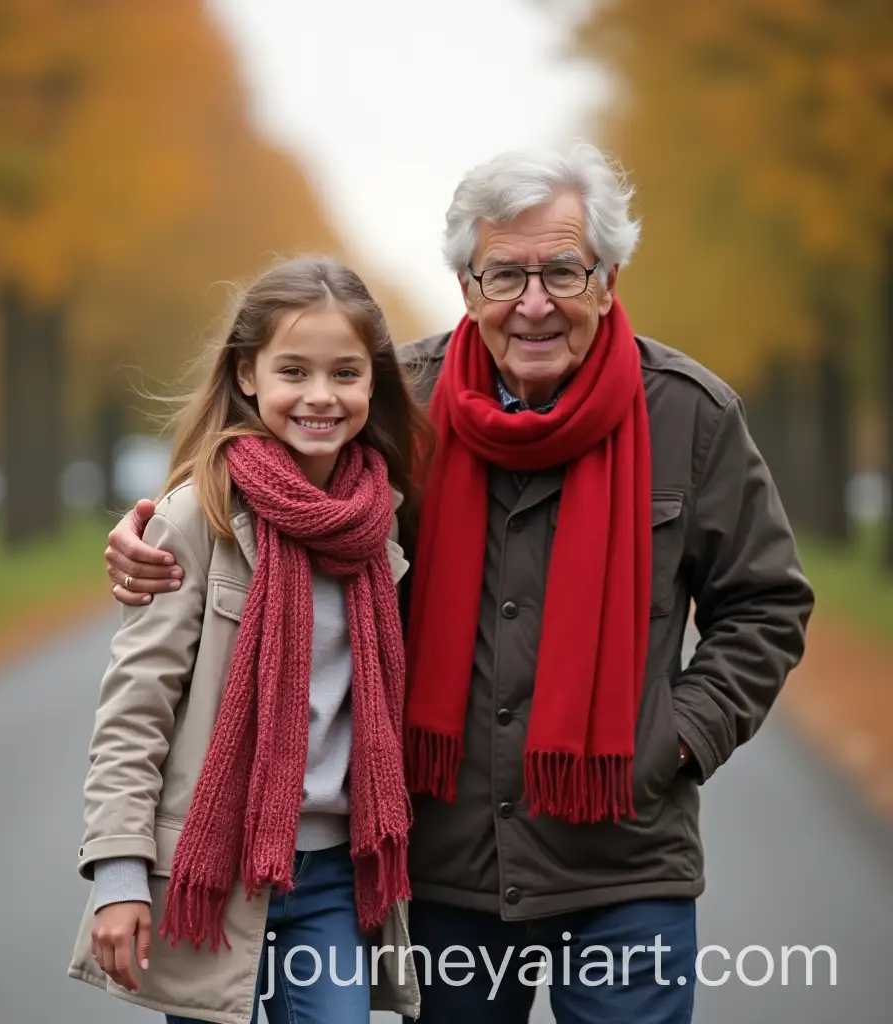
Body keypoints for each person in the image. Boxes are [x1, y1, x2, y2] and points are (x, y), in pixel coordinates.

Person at [104, 143, 815, 1024]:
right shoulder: (399, 403)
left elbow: (767, 604)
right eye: (503, 274)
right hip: (446, 873)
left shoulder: (691, 417)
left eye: (563, 269)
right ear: (467, 285)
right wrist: (153, 533)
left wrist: (674, 740)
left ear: (610, 275)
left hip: (629, 864)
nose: (534, 303)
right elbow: (265, 495)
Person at [68, 257, 433, 1024]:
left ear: (374, 381)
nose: (321, 396)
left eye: (345, 373)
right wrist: (119, 876)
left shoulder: (382, 520)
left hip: (336, 876)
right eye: (293, 370)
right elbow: (136, 710)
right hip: (211, 871)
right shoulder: (196, 517)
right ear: (247, 374)